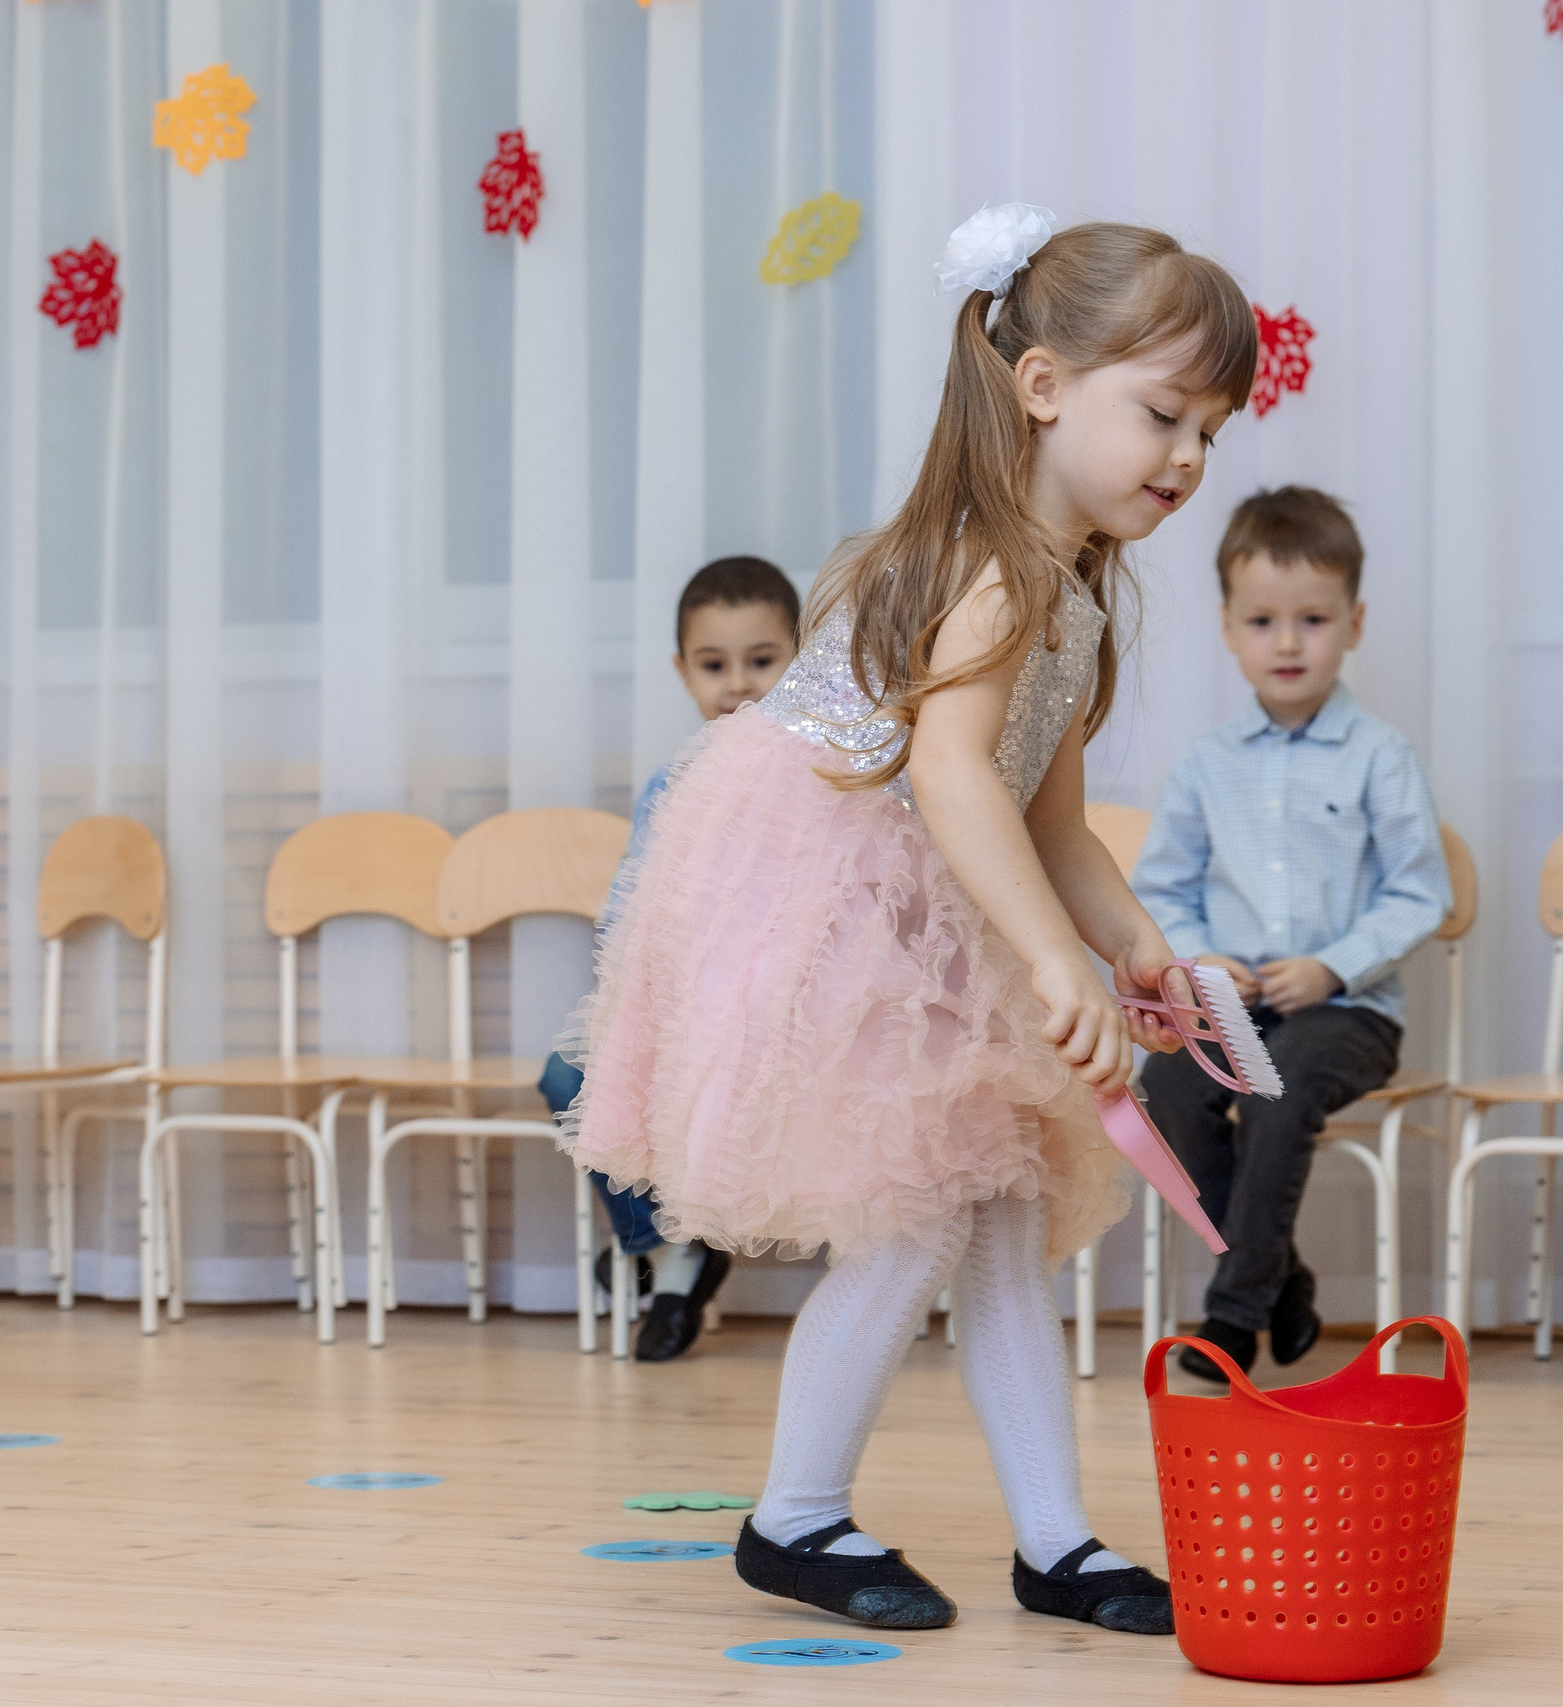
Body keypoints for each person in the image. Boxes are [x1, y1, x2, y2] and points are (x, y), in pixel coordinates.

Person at [560, 210, 1257, 1634]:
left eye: (1213, 431)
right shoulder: (982, 560)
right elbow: (944, 771)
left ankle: (1055, 1539)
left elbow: (1045, 819)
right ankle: (793, 1514)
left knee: (997, 1212)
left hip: (935, 891)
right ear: (1045, 384)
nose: (1190, 459)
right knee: (915, 1213)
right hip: (830, 894)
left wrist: (1128, 937)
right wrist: (1053, 960)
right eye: (1167, 415)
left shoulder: (1070, 594)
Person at [1130, 485, 1449, 1385]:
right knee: (1171, 1087)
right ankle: (1284, 1286)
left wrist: (1333, 966)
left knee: (1280, 1084)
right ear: (1229, 629)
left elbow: (1420, 891)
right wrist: (1197, 960)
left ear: (1353, 622)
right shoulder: (1206, 764)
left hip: (1346, 1013)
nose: (1286, 641)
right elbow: (1162, 887)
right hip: (1231, 1005)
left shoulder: (1379, 755)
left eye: (1311, 619)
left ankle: (1231, 1320)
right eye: (1262, 620)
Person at [539, 556, 800, 1361]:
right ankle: (665, 1248)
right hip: (678, 1002)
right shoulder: (673, 783)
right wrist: (630, 1001)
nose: (738, 685)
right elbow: (630, 906)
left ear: (801, 655)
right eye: (714, 665)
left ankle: (672, 1270)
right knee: (566, 1074)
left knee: (699, 1090)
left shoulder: (820, 777)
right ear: (681, 671)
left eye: (762, 661)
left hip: (770, 1008)